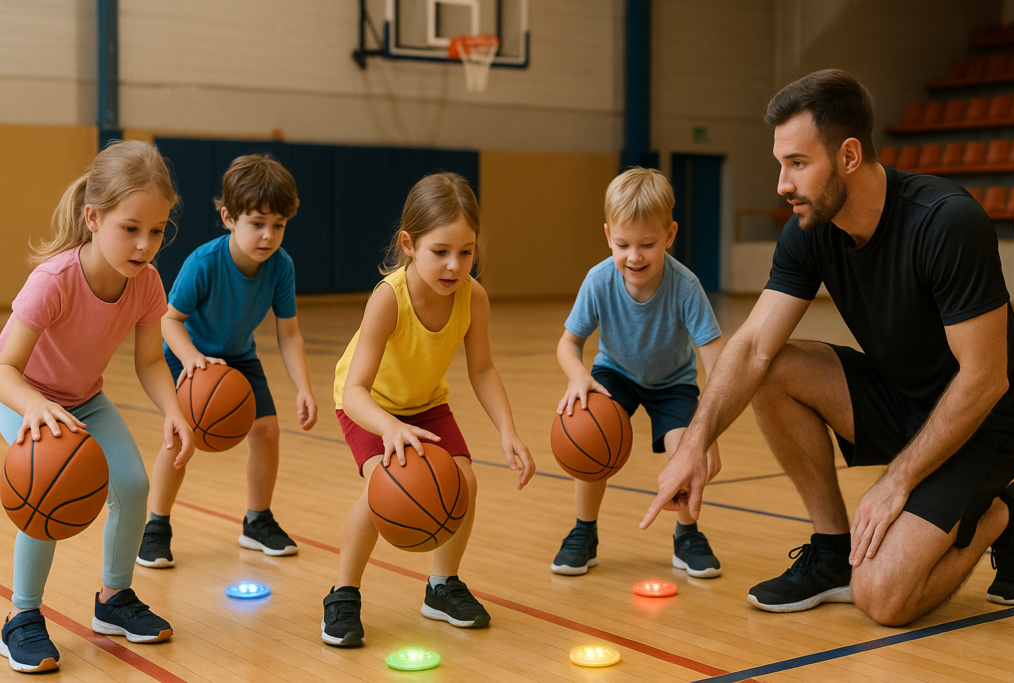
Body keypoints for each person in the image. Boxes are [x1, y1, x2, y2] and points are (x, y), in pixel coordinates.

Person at [642, 69, 1014, 626]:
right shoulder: (810, 230)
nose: (782, 183)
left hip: (988, 419)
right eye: (781, 164)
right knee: (772, 367)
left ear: (848, 155)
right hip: (906, 399)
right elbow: (750, 349)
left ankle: (1004, 514)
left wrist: (898, 480)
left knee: (883, 600)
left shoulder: (946, 222)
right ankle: (829, 550)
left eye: (797, 163)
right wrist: (695, 443)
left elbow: (986, 379)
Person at [0, 141, 195, 672]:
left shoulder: (148, 284)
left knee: (132, 486)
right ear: (93, 217)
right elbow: (4, 368)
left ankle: (114, 600)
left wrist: (175, 410)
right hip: (25, 396)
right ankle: (22, 617)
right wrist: (35, 408)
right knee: (45, 493)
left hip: (84, 400)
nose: (144, 244)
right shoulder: (55, 280)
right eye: (130, 228)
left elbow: (152, 363)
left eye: (156, 231)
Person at [321, 171, 535, 647]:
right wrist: (389, 429)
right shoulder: (388, 299)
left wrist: (508, 429)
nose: (454, 265)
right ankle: (343, 592)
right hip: (369, 405)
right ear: (409, 244)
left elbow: (482, 370)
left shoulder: (472, 297)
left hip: (426, 404)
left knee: (465, 481)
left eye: (467, 251)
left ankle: (442, 586)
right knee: (383, 487)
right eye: (441, 251)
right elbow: (355, 389)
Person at [137, 155, 317, 568]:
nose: (268, 236)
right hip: (186, 354)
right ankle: (156, 526)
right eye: (257, 223)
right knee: (180, 436)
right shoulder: (204, 262)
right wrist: (192, 359)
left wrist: (304, 386)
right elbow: (168, 320)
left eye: (278, 225)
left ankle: (257, 521)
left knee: (267, 431)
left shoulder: (281, 267)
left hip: (237, 356)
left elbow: (288, 332)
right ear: (229, 217)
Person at [552, 167, 725, 578]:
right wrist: (578, 376)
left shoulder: (686, 286)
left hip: (674, 382)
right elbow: (567, 343)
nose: (634, 256)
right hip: (613, 374)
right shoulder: (598, 280)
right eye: (623, 244)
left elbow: (716, 358)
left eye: (647, 244)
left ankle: (687, 536)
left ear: (669, 235)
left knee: (686, 448)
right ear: (608, 234)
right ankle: (584, 532)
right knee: (590, 439)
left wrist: (709, 431)